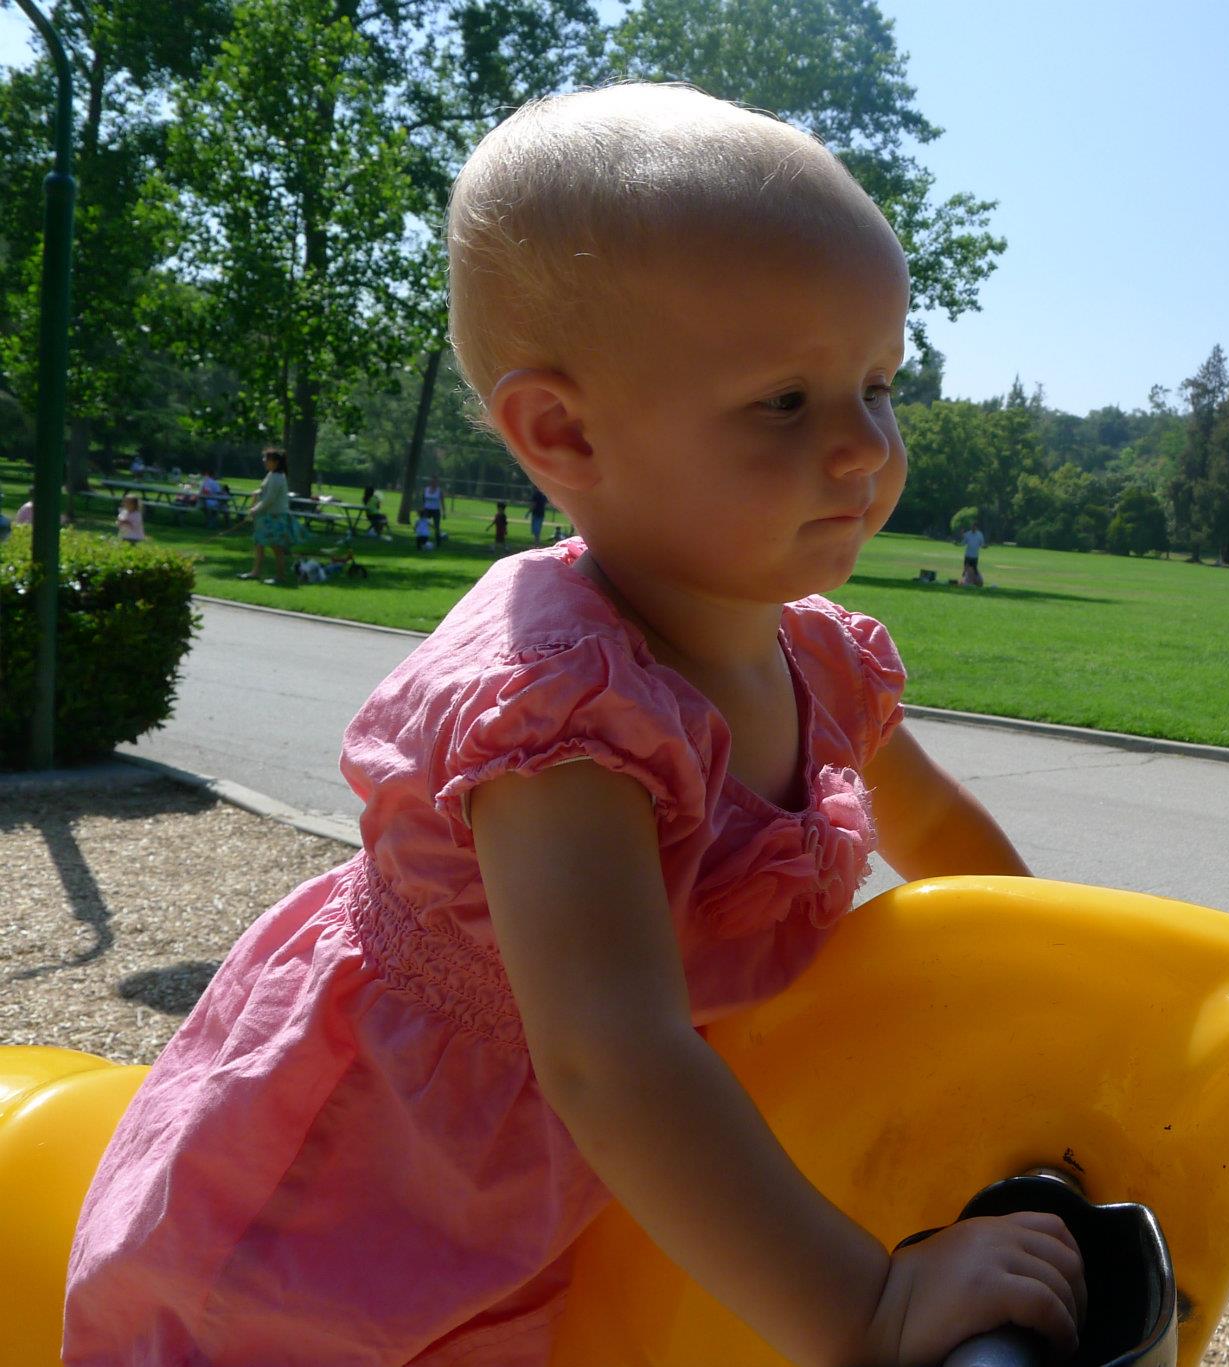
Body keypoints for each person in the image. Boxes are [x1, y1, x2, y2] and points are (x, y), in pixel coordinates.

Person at [63, 83, 1076, 1367]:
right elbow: (610, 1058)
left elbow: (946, 841)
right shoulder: (561, 716)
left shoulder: (815, 653)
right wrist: (868, 1307)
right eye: (785, 401)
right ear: (562, 430)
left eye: (878, 384)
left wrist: (1057, 1014)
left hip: (634, 1164)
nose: (862, 448)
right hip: (382, 1200)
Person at [237, 447, 293, 584]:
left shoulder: (277, 477)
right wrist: (258, 492)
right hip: (266, 515)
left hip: (275, 516)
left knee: (276, 547)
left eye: (266, 459)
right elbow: (265, 490)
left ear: (275, 462)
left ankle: (280, 576)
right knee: (259, 544)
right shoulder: (271, 474)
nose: (264, 461)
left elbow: (269, 499)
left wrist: (254, 510)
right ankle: (255, 572)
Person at [961, 520, 985, 587]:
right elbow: (963, 543)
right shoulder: (968, 534)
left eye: (974, 527)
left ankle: (976, 582)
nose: (973, 528)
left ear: (977, 527)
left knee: (975, 570)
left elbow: (982, 544)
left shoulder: (980, 535)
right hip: (968, 555)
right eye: (972, 527)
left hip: (975, 556)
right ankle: (965, 581)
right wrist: (958, 544)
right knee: (965, 570)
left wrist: (985, 547)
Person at [422, 476, 445, 544]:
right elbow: (423, 500)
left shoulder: (439, 491)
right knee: (424, 524)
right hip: (427, 510)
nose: (434, 483)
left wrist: (444, 513)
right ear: (430, 482)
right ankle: (424, 540)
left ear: (437, 482)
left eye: (435, 481)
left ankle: (438, 541)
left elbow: (442, 502)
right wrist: (421, 509)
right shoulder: (426, 489)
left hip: (436, 510)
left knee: (436, 526)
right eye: (432, 481)